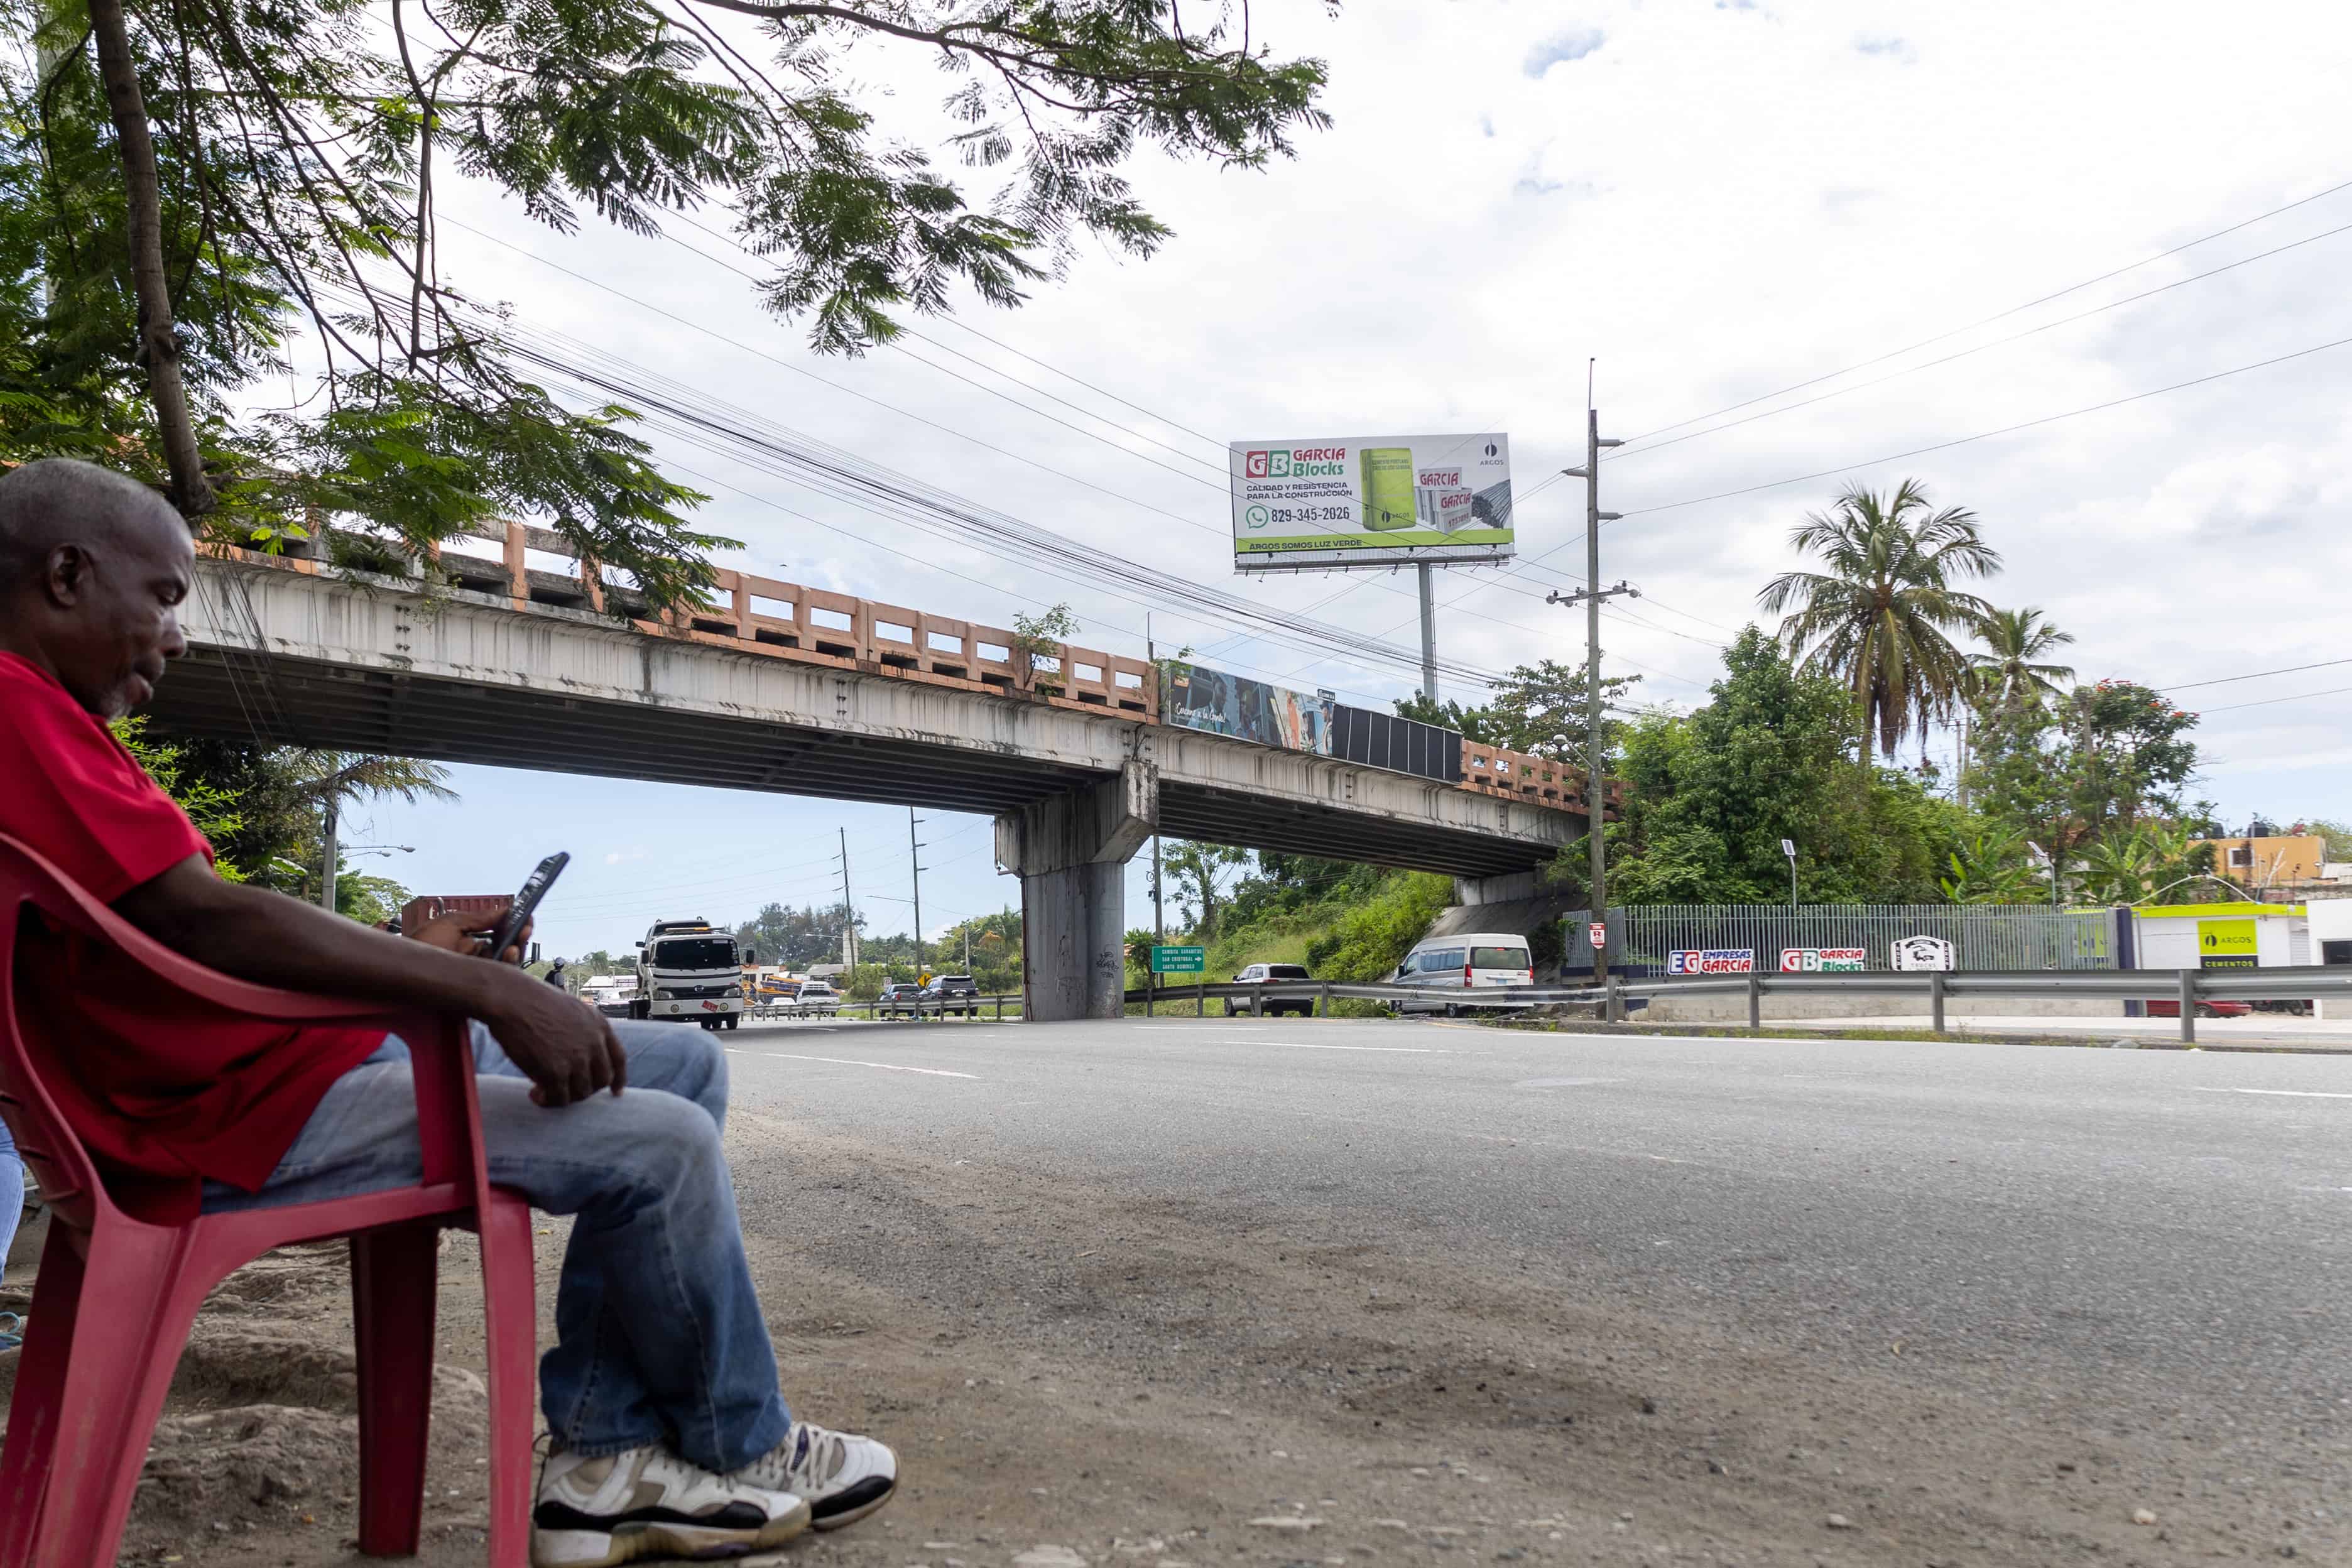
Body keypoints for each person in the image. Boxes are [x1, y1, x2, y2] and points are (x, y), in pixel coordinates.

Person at [0, 460, 895, 1567]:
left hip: (271, 1073)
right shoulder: (12, 712)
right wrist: (483, 985)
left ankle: (604, 1461)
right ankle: (740, 1445)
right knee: (659, 1143)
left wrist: (418, 968)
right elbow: (203, 919)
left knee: (675, 1068)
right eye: (169, 597)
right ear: (67, 575)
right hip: (228, 1122)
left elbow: (169, 937)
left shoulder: (46, 722)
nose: (177, 639)